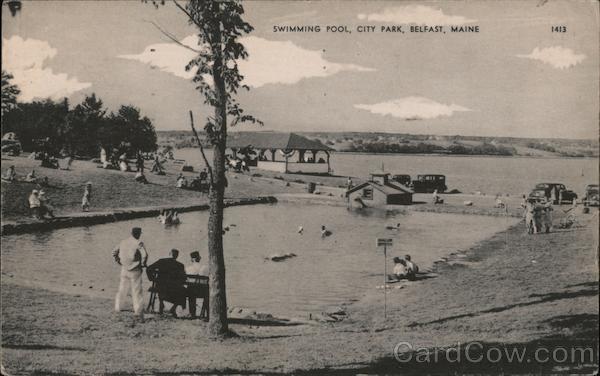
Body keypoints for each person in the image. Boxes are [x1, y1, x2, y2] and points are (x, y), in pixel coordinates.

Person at [113, 227, 149, 318]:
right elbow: (145, 255)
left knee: (122, 288)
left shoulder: (123, 241)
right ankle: (138, 310)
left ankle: (118, 307)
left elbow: (114, 252)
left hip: (124, 268)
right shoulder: (138, 243)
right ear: (139, 234)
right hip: (135, 269)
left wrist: (118, 261)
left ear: (131, 233)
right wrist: (143, 264)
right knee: (136, 291)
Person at [146, 249, 187, 317]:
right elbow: (183, 278)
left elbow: (149, 269)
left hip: (161, 286)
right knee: (183, 291)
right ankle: (173, 308)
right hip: (174, 288)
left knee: (161, 287)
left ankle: (161, 303)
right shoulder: (180, 265)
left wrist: (152, 279)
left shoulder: (161, 261)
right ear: (177, 256)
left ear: (169, 253)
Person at [185, 251, 208, 319]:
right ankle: (205, 314)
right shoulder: (205, 268)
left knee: (190, 288)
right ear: (199, 258)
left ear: (192, 259)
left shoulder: (188, 268)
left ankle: (192, 314)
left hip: (192, 292)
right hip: (203, 292)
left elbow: (185, 280)